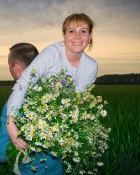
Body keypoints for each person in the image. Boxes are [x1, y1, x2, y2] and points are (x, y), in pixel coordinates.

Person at [6, 13, 98, 154]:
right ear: (64, 35)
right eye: (72, 31)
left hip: (54, 113)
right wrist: (10, 121)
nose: (78, 37)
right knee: (4, 149)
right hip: (25, 101)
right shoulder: (52, 54)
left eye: (83, 31)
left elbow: (77, 101)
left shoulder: (91, 66)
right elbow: (23, 82)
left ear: (90, 36)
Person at [0, 43, 63, 174]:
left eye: (10, 66)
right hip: (56, 169)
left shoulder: (13, 103)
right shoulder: (55, 93)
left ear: (17, 69)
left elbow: (2, 145)